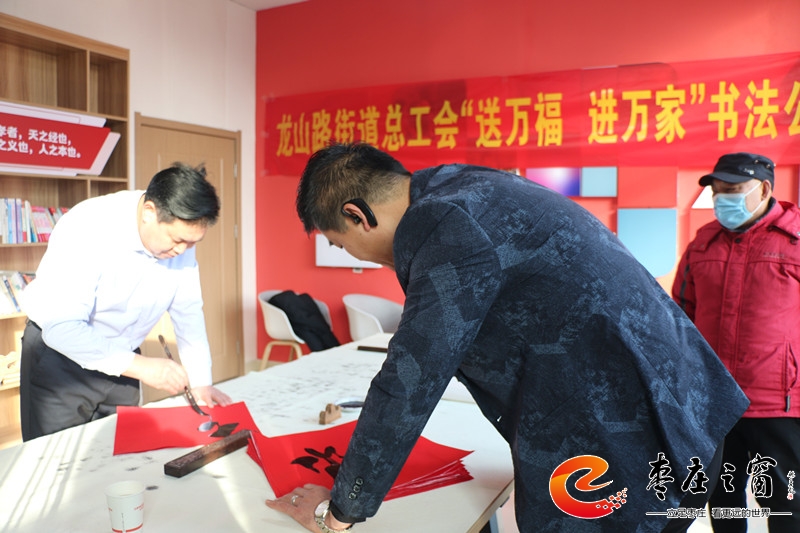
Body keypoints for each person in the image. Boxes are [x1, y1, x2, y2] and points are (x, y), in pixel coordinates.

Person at [266, 142, 749, 533]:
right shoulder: (463, 185)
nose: (355, 254)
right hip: (681, 408)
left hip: (640, 445)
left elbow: (411, 378)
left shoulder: (445, 225)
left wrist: (340, 511)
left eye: (341, 243)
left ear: (357, 215)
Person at [19, 162, 232, 441]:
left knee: (120, 454)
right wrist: (143, 367)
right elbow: (63, 329)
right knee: (60, 457)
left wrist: (201, 382)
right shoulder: (88, 226)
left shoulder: (179, 243)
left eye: (192, 243)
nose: (182, 250)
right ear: (149, 212)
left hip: (124, 360)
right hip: (61, 360)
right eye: (177, 240)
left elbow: (188, 313)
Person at [672, 152, 800, 533]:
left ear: (764, 189)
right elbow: (681, 314)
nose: (723, 199)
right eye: (717, 191)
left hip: (777, 404)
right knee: (723, 502)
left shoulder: (794, 240)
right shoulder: (703, 243)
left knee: (787, 507)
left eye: (733, 190)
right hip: (717, 403)